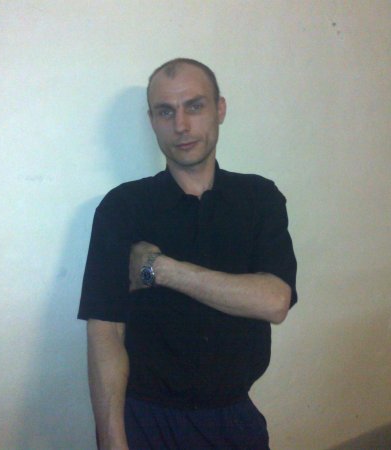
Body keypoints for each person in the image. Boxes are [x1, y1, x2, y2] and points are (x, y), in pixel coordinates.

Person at [79, 58, 297, 450]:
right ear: (152, 120)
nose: (180, 125)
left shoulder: (259, 198)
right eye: (166, 111)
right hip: (146, 422)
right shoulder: (122, 207)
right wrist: (112, 443)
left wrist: (159, 269)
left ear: (220, 109)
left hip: (235, 419)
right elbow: (104, 331)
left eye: (194, 106)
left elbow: (275, 301)